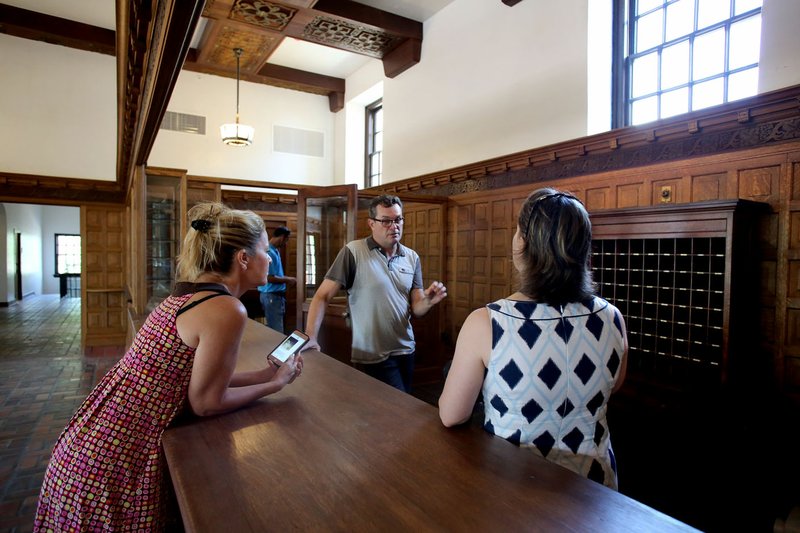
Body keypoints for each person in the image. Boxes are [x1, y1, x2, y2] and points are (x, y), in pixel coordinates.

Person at [34, 202, 304, 531]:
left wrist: (265, 373)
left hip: (91, 446)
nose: (269, 258)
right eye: (264, 250)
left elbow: (189, 380)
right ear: (243, 258)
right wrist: (275, 385)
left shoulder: (186, 297)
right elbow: (205, 403)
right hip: (117, 460)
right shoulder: (227, 308)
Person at [438, 188, 628, 490]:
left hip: (515, 486)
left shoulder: (488, 322)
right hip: (595, 486)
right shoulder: (612, 317)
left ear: (523, 243)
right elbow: (612, 385)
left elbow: (452, 415)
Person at [304, 194, 447, 393]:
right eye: (386, 221)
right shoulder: (353, 252)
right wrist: (311, 336)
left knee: (401, 406)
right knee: (397, 407)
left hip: (406, 348)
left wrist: (428, 301)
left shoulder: (411, 257)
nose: (394, 226)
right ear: (371, 223)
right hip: (372, 353)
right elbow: (322, 296)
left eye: (398, 219)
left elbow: (417, 308)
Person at [258, 225, 296, 333]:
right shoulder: (269, 252)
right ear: (282, 237)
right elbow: (269, 278)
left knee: (276, 327)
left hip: (274, 296)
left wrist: (288, 278)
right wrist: (288, 280)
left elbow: (275, 275)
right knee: (276, 330)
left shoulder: (275, 251)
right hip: (271, 296)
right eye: (286, 240)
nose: (286, 243)